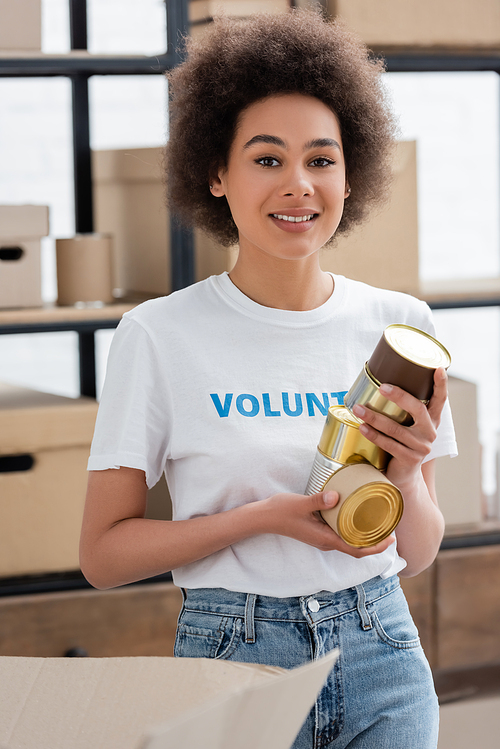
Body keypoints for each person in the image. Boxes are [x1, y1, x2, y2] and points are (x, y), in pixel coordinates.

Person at [80, 9, 457, 748]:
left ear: (352, 174)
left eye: (321, 159)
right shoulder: (158, 335)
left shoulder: (399, 325)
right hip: (236, 653)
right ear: (216, 173)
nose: (299, 185)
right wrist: (261, 518)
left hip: (382, 645)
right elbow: (103, 555)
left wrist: (409, 476)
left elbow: (416, 552)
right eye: (266, 159)